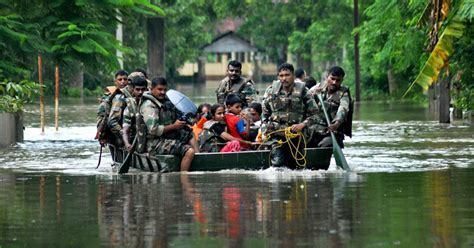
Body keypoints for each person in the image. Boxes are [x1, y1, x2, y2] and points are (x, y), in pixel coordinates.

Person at [261, 63, 319, 168]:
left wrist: (302, 124)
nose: (284, 78)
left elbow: (315, 115)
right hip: (277, 134)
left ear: (293, 75)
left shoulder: (303, 91)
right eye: (281, 75)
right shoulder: (271, 91)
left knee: (297, 166)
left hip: (297, 134)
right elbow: (264, 113)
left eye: (287, 75)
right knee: (277, 164)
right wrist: (265, 129)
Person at [139, 77, 198, 171]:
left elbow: (175, 116)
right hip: (154, 143)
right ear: (152, 89)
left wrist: (187, 119)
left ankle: (199, 158)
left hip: (167, 136)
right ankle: (184, 178)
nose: (162, 92)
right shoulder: (149, 106)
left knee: (189, 133)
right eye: (159, 89)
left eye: (164, 89)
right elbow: (153, 130)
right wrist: (174, 126)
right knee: (189, 151)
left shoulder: (166, 101)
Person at [308, 66, 352, 148]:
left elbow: (343, 108)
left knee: (325, 145)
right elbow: (304, 101)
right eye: (332, 79)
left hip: (332, 132)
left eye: (338, 80)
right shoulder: (317, 88)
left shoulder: (343, 93)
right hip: (314, 131)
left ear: (342, 80)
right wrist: (313, 95)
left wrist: (337, 123)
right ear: (327, 77)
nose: (334, 82)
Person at [107, 69, 134, 147]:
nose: (123, 82)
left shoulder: (132, 93)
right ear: (116, 82)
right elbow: (112, 122)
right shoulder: (119, 97)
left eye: (125, 79)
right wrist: (124, 134)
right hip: (123, 135)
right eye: (120, 79)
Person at [122, 76, 148, 151]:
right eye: (138, 89)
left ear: (147, 90)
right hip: (137, 140)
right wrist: (127, 144)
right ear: (133, 90)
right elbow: (125, 130)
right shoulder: (129, 109)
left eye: (143, 89)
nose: (140, 92)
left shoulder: (152, 104)